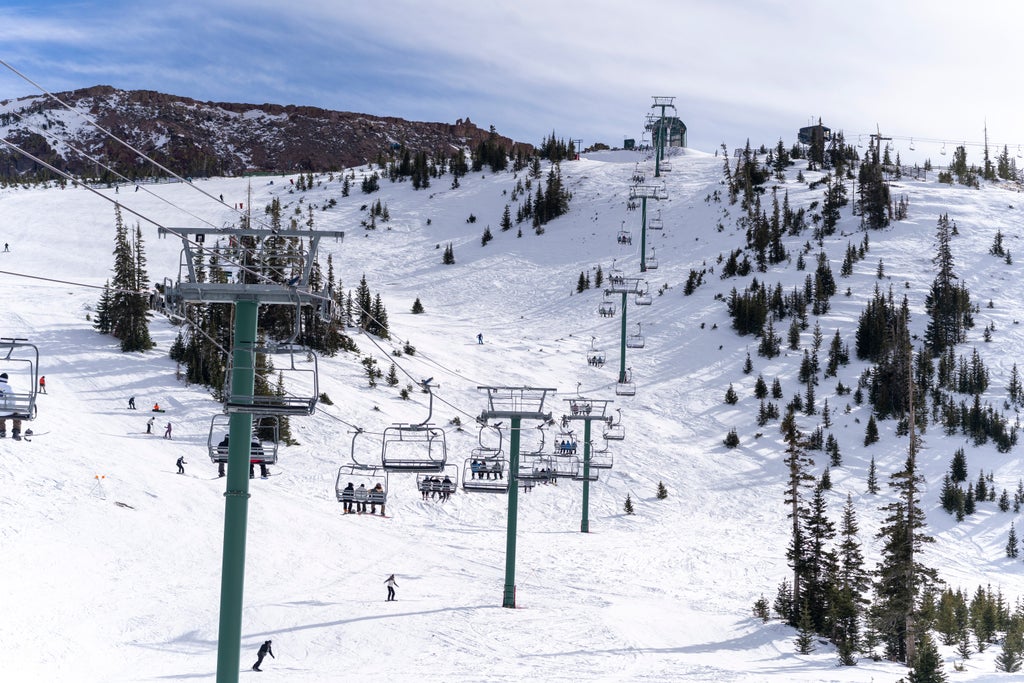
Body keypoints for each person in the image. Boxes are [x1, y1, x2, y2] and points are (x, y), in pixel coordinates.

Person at [0, 372, 22, 440]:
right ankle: (16, 431)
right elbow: (13, 400)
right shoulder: (8, 388)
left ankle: (1, 431)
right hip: (8, 411)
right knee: (17, 414)